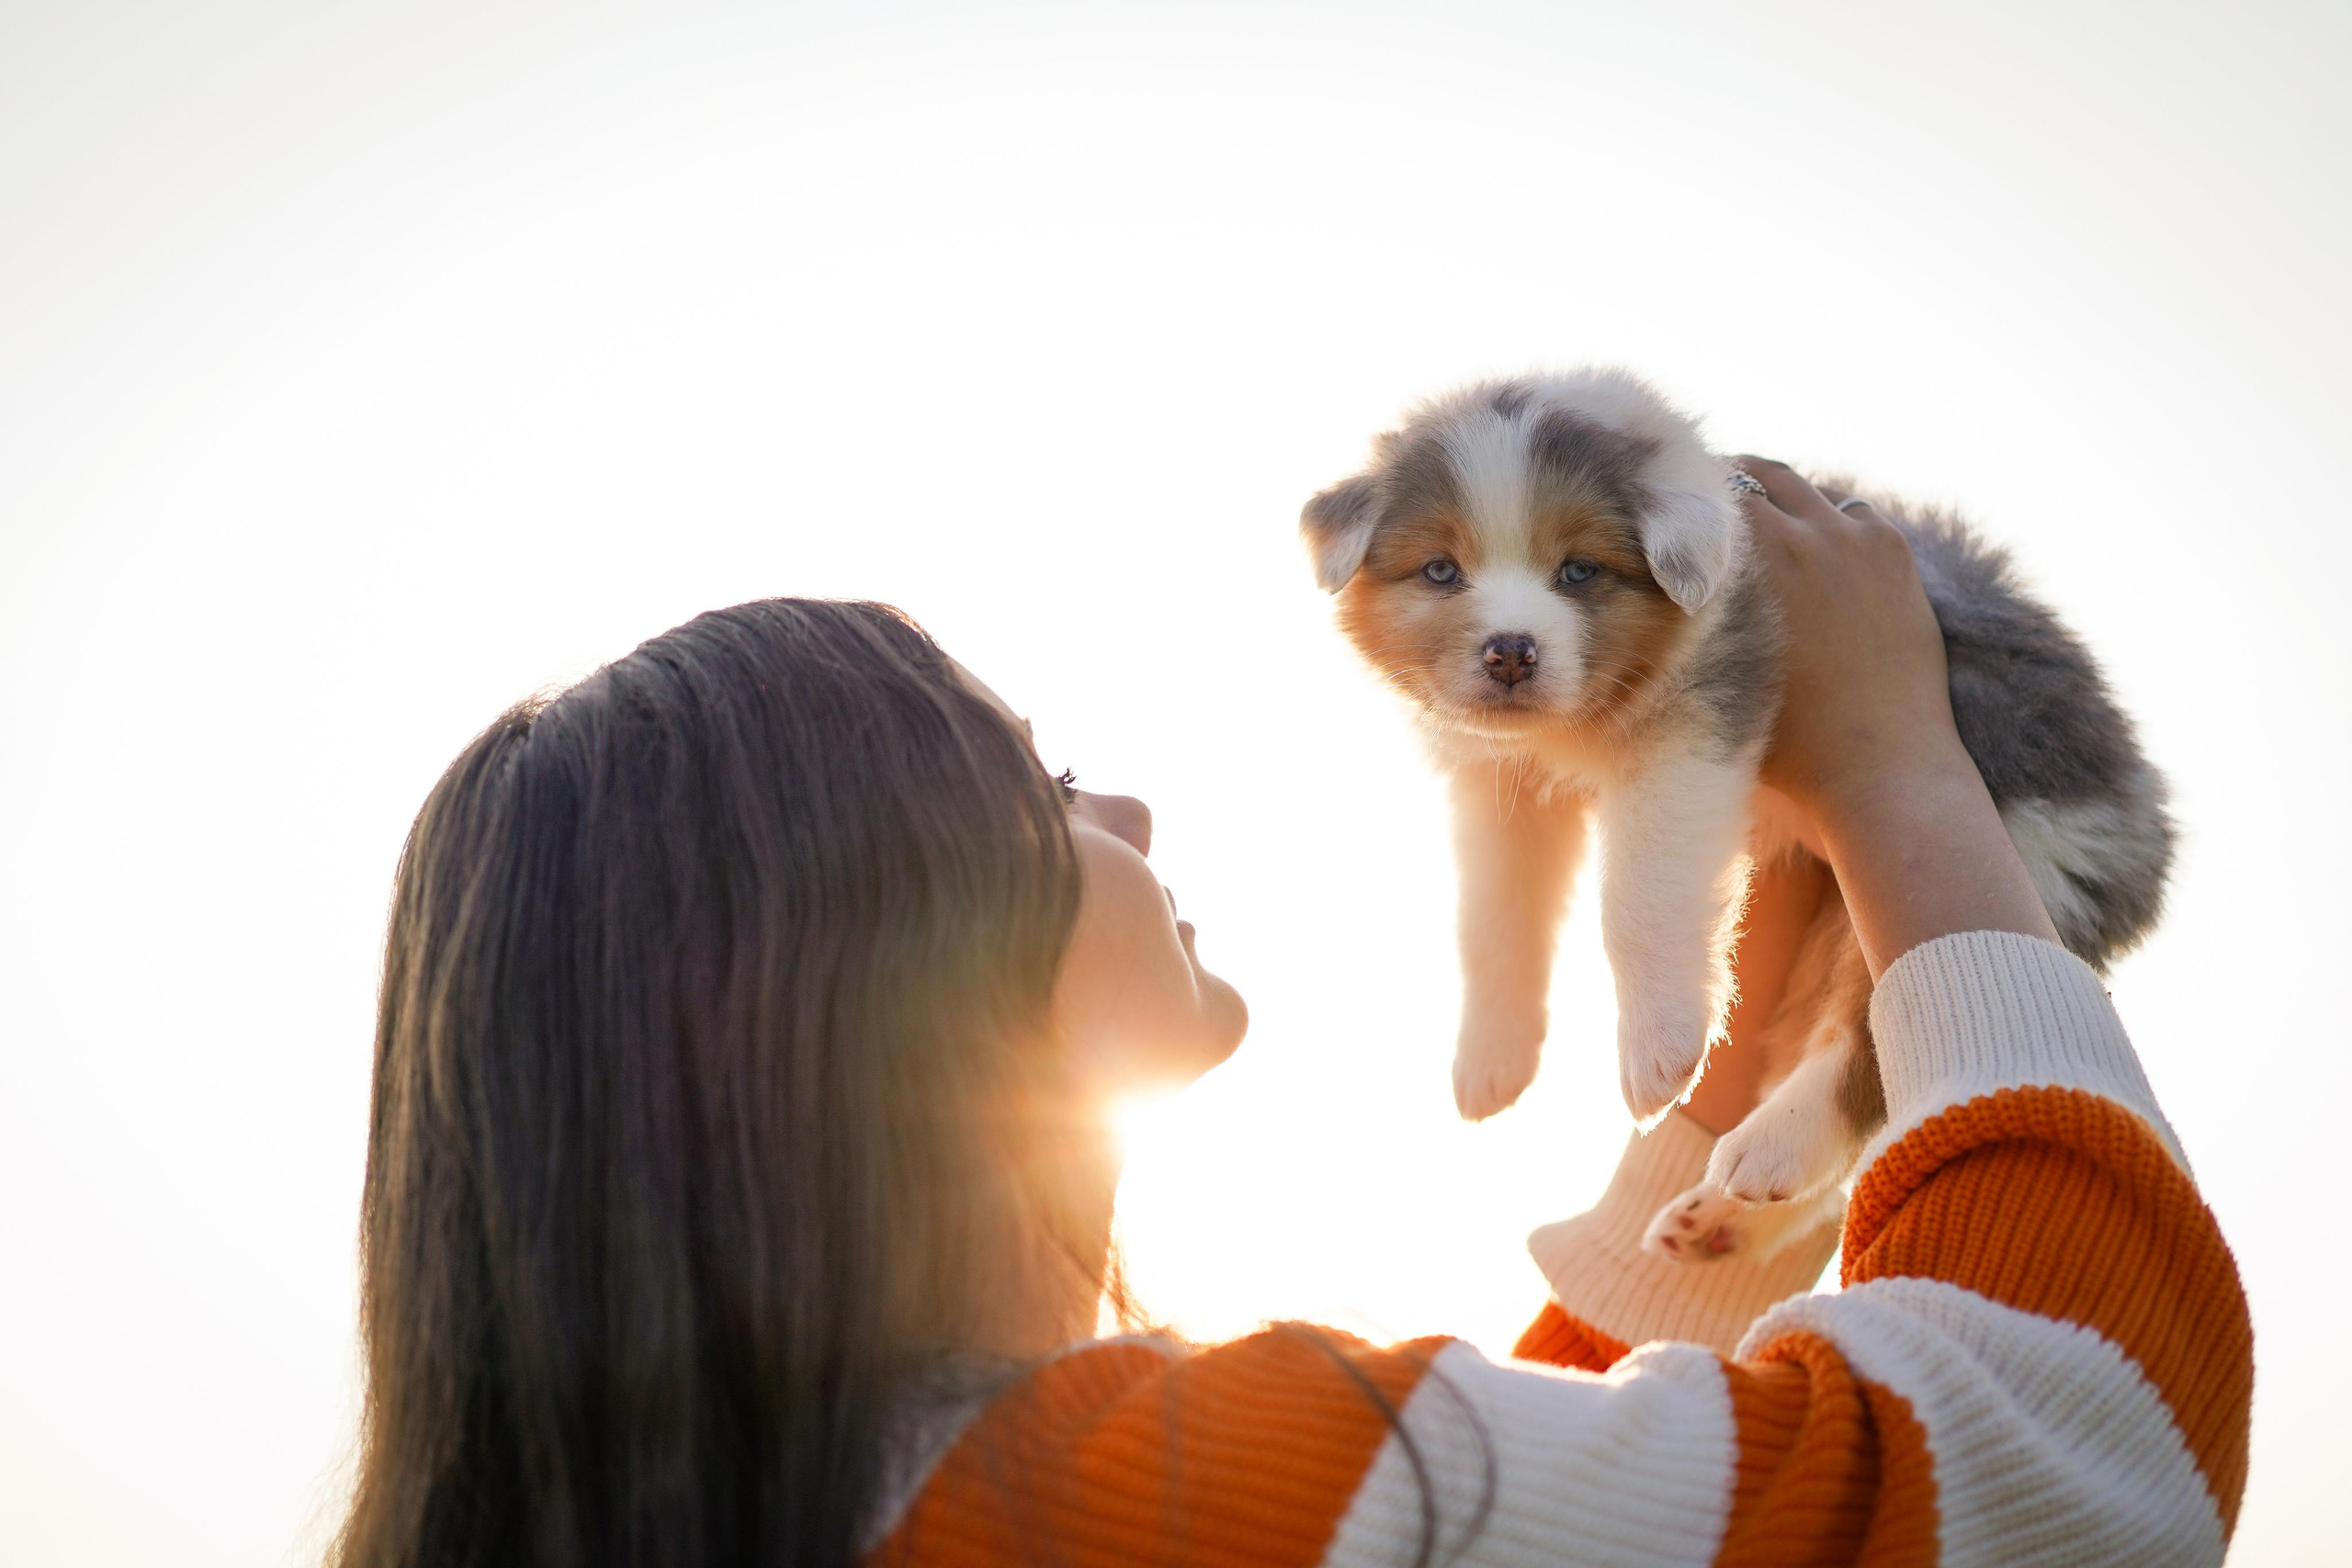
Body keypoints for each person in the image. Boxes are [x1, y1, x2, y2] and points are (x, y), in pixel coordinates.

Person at [334, 467, 2250, 1568]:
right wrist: (1903, 776)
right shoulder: (1149, 1499)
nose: (1128, 812)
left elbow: (1579, 1498)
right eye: (1036, 780)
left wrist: (1738, 1089)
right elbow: (2081, 1459)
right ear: (856, 957)